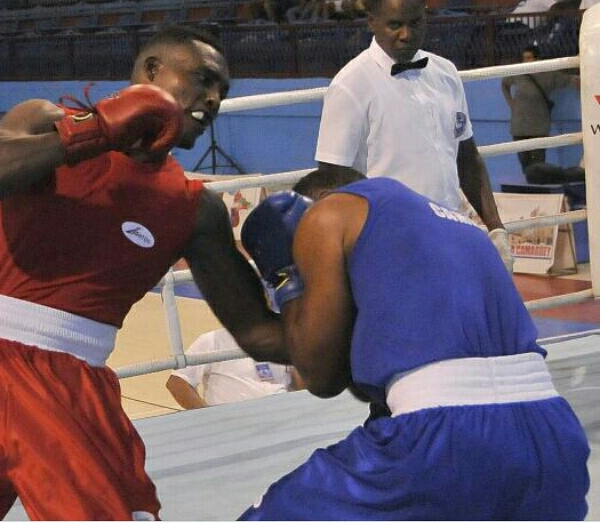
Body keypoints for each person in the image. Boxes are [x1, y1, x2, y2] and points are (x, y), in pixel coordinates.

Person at [0, 25, 286, 521]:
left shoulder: (195, 209)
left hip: (68, 388)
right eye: (203, 79)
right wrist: (94, 131)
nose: (212, 98)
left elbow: (259, 332)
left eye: (223, 92)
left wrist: (338, 294)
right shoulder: (43, 119)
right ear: (150, 72)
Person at [236, 166, 590, 520]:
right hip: (555, 440)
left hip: (442, 441)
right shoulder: (458, 231)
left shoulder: (327, 214)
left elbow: (323, 376)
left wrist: (287, 279)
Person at [314, 0, 512, 272]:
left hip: (451, 234)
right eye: (395, 25)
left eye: (415, 23)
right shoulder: (350, 85)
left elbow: (467, 158)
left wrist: (496, 229)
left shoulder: (446, 73)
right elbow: (331, 177)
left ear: (426, 17)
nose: (406, 34)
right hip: (388, 243)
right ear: (372, 22)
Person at [501, 44, 581, 182]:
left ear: (537, 59)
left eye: (529, 58)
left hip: (538, 128)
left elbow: (569, 81)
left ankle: (538, 192)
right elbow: (504, 84)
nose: (526, 61)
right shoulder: (518, 72)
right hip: (519, 128)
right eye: (524, 58)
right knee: (525, 167)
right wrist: (511, 103)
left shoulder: (548, 74)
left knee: (537, 168)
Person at [166, 328, 300, 409]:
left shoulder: (283, 339)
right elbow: (177, 382)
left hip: (281, 418)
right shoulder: (213, 340)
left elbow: (302, 384)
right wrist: (206, 416)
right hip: (232, 425)